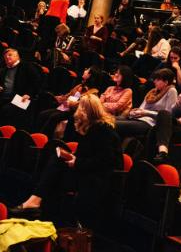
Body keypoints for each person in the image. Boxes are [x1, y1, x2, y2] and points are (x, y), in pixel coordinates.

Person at [11, 94, 123, 228]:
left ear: (85, 111)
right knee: (56, 159)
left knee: (56, 167)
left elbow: (106, 161)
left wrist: (77, 162)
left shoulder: (103, 130)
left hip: (102, 177)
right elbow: (89, 153)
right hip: (91, 169)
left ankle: (36, 202)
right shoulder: (92, 127)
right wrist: (73, 157)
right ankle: (36, 202)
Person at [34, 66, 102, 137]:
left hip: (74, 113)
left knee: (53, 117)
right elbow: (68, 95)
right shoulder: (80, 85)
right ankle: (35, 136)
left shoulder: (93, 93)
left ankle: (45, 138)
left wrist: (69, 103)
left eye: (87, 70)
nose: (85, 70)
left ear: (90, 75)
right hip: (65, 109)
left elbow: (81, 106)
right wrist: (61, 98)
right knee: (43, 114)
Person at [116, 68, 178, 141]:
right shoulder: (152, 92)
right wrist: (134, 112)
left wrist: (146, 113)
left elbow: (167, 116)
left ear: (166, 82)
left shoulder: (171, 91)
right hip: (138, 119)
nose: (154, 81)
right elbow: (141, 108)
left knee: (114, 124)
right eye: (155, 79)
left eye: (158, 80)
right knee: (108, 120)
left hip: (150, 123)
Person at [0, 48, 41, 130]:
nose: (7, 57)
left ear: (17, 56)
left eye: (10, 55)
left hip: (19, 98)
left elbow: (36, 82)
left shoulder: (27, 66)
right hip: (3, 96)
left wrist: (29, 94)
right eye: (5, 57)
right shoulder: (3, 69)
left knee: (5, 110)